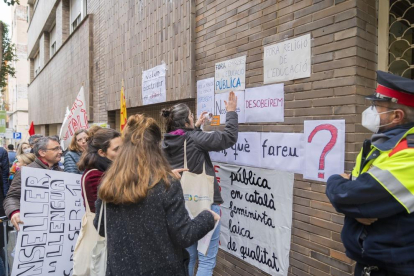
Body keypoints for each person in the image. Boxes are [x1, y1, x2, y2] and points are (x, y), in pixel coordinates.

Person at [94, 114, 219, 276]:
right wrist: (207, 217)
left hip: (120, 269)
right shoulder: (166, 184)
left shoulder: (109, 182)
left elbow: (102, 227)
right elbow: (184, 235)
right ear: (156, 145)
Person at [326, 71, 414, 276]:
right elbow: (357, 199)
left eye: (377, 107)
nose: (370, 111)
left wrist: (335, 181)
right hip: (370, 265)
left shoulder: (409, 155)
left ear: (397, 116)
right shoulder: (380, 144)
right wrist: (357, 208)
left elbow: (348, 197)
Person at [161, 91, 238, 276]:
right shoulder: (194, 139)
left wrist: (195, 128)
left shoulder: (166, 141)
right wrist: (232, 112)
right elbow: (228, 138)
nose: (194, 117)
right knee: (206, 259)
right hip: (204, 204)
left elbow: (186, 141)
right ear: (186, 121)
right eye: (191, 116)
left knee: (188, 256)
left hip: (180, 207)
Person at [3, 136, 63, 231]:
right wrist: (15, 212)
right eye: (56, 149)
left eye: (60, 148)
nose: (60, 152)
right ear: (42, 152)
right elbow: (12, 197)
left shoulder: (62, 173)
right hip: (33, 227)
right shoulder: (26, 172)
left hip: (55, 226)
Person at [78, 128, 122, 212]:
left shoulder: (112, 168)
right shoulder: (94, 175)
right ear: (102, 152)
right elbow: (109, 207)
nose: (122, 152)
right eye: (116, 149)